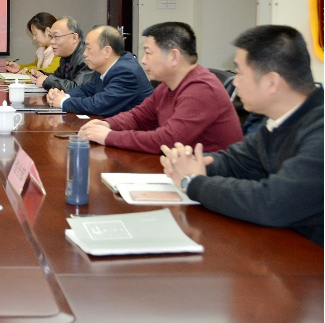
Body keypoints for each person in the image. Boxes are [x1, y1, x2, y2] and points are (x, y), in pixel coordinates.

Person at [161, 25, 322, 245]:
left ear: (271, 82)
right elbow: (236, 163)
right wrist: (188, 163)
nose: (234, 83)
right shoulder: (277, 123)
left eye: (240, 73)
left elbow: (271, 203)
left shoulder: (320, 132)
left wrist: (193, 182)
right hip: (286, 245)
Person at [78, 21, 242, 153]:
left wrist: (109, 136)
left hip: (208, 176)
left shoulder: (201, 89)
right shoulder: (167, 86)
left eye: (148, 53)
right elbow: (138, 117)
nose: (143, 61)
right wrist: (107, 124)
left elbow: (168, 140)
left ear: (173, 56)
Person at [47, 25, 153, 117]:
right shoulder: (106, 66)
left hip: (136, 131)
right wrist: (61, 95)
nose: (84, 53)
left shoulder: (126, 72)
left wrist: (63, 101)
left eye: (88, 48)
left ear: (107, 51)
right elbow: (87, 89)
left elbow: (99, 105)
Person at [31, 16, 95, 91]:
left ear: (74, 37)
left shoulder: (86, 58)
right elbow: (58, 78)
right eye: (51, 36)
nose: (52, 41)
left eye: (56, 36)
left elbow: (78, 89)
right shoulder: (65, 56)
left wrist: (47, 81)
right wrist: (42, 75)